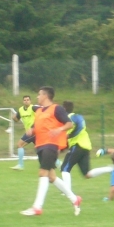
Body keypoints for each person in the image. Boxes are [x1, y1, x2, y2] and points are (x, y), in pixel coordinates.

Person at [20, 86, 82, 216]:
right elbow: (37, 127)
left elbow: (69, 124)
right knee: (51, 177)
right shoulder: (39, 111)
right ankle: (75, 199)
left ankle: (37, 207)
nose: (37, 97)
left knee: (43, 173)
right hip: (41, 145)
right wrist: (31, 130)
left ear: (45, 96)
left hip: (51, 145)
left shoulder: (57, 109)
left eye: (39, 94)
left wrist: (58, 130)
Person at [61, 101, 114, 191]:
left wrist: (67, 136)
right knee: (87, 174)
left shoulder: (69, 118)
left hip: (78, 145)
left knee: (65, 168)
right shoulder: (78, 116)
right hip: (86, 146)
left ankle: (67, 192)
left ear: (64, 109)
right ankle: (109, 169)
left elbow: (76, 129)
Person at [9, 95, 38, 170]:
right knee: (41, 151)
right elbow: (17, 119)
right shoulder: (21, 109)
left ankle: (20, 165)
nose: (26, 101)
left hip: (34, 131)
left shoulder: (33, 108)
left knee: (19, 144)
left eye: (28, 100)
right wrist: (14, 118)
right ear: (23, 101)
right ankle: (58, 163)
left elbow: (42, 112)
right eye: (25, 100)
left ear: (30, 101)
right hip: (29, 132)